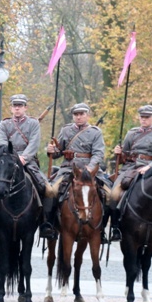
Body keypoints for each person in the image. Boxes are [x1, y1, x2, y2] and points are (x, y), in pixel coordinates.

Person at [0, 94, 51, 235]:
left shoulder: (33, 124)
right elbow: (1, 143)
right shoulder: (4, 124)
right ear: (11, 108)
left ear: (25, 107)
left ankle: (45, 222)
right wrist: (12, 159)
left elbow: (34, 143)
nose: (17, 108)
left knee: (47, 188)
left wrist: (23, 158)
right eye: (15, 105)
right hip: (7, 161)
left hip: (28, 161)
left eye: (20, 105)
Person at [41, 102, 106, 239]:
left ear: (87, 115)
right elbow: (58, 153)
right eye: (76, 114)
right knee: (51, 191)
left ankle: (103, 228)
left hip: (89, 170)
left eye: (82, 114)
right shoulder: (66, 130)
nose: (79, 117)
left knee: (109, 194)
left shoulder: (95, 132)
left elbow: (98, 154)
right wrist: (51, 151)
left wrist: (89, 168)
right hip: (68, 168)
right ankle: (49, 224)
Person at [109, 104, 152, 241]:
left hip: (151, 169)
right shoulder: (132, 133)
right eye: (142, 117)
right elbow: (124, 156)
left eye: (147, 117)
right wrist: (118, 153)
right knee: (113, 193)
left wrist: (149, 167)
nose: (144, 119)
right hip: (130, 169)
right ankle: (115, 227)